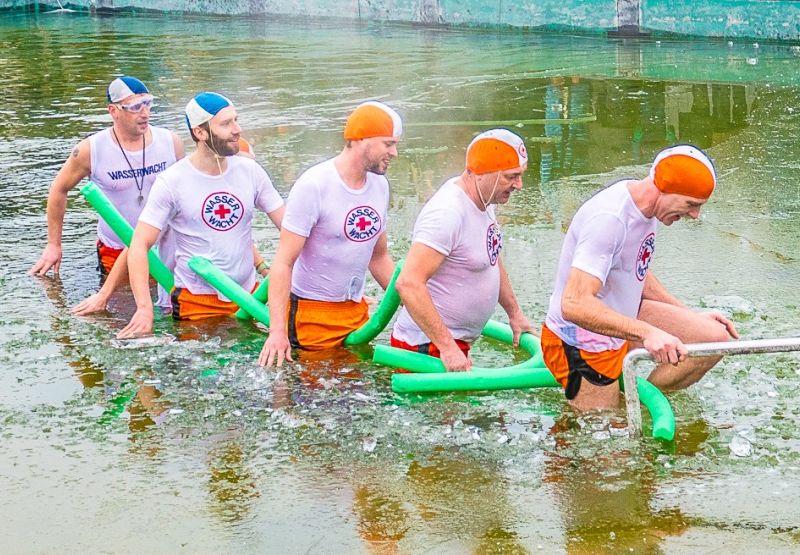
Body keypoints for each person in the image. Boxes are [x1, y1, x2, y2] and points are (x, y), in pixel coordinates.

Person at [541, 145, 737, 412]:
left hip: (620, 319)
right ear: (665, 188)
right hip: (579, 340)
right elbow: (574, 304)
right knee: (604, 442)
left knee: (713, 340)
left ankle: (640, 402)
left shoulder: (646, 207)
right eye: (691, 204)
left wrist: (688, 314)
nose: (694, 215)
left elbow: (635, 269)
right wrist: (647, 333)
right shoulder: (610, 219)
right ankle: (613, 405)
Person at [117, 93, 285, 337]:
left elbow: (293, 231)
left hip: (250, 296)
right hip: (197, 303)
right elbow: (139, 246)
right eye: (226, 124)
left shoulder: (251, 171)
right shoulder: (172, 181)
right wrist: (144, 308)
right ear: (200, 133)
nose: (237, 130)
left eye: (235, 120)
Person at [258, 101, 402, 367]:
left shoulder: (380, 186)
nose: (394, 153)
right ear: (359, 139)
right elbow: (283, 262)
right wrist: (277, 333)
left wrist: (411, 304)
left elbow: (379, 258)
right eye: (388, 144)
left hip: (356, 313)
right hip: (310, 317)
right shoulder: (314, 185)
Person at [390, 129, 535, 372]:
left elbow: (492, 255)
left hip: (452, 343)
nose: (519, 186)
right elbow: (408, 283)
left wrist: (515, 313)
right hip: (425, 347)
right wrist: (447, 347)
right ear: (481, 174)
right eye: (512, 176)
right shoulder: (448, 213)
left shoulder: (485, 198)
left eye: (520, 175)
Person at [30, 77, 184, 293]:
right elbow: (59, 189)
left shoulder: (170, 141)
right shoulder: (91, 150)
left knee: (173, 310)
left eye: (148, 103)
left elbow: (186, 193)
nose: (145, 113)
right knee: (120, 313)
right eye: (135, 107)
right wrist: (54, 245)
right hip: (115, 249)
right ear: (114, 111)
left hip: (166, 246)